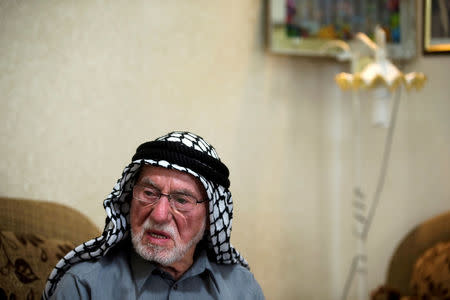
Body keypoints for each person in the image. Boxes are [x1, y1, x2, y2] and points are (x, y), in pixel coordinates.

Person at [44, 131, 264, 299]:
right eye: (149, 193)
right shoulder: (83, 286)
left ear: (211, 218)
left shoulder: (242, 288)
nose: (159, 215)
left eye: (181, 200)